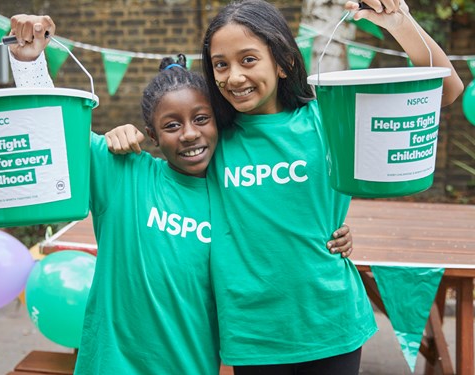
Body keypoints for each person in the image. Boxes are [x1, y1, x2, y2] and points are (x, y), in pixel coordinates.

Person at [8, 13, 354, 375]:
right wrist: (30, 61)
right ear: (152, 135)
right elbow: (52, 128)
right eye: (171, 125)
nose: (189, 134)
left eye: (201, 119)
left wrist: (333, 229)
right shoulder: (123, 174)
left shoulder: (229, 185)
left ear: (220, 123)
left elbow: (278, 210)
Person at [197, 1, 464, 374]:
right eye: (220, 64)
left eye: (248, 59)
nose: (234, 76)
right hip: (254, 331)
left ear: (284, 62)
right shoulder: (210, 136)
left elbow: (447, 90)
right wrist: (121, 137)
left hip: (331, 320)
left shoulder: (329, 117)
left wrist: (400, 24)